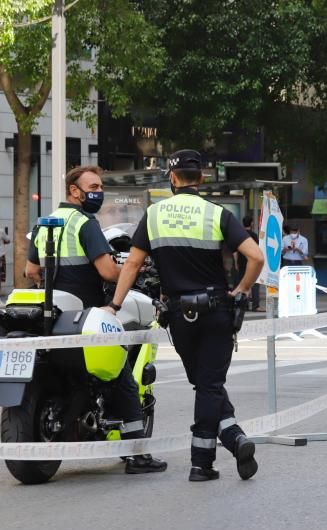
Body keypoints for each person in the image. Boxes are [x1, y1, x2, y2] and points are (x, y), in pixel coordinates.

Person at [109, 150, 263, 482]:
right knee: (210, 386)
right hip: (216, 311)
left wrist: (115, 306)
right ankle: (201, 463)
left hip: (179, 315)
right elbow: (256, 257)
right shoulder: (217, 214)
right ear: (202, 179)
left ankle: (235, 440)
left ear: (173, 178)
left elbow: (133, 264)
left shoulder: (153, 215)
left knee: (204, 384)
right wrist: (242, 291)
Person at [24, 165, 167, 475]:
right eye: (94, 186)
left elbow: (30, 271)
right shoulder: (85, 224)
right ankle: (137, 455)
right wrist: (133, 271)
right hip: (87, 315)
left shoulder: (45, 223)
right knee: (121, 375)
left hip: (53, 315)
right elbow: (106, 272)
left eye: (100, 186)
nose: (98, 192)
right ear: (74, 191)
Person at [237, 216, 261, 311]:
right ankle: (256, 306)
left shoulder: (239, 234)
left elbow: (235, 250)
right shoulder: (254, 236)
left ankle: (244, 305)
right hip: (253, 263)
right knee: (254, 284)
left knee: (243, 283)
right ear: (251, 223)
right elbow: (257, 250)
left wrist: (236, 263)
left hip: (242, 263)